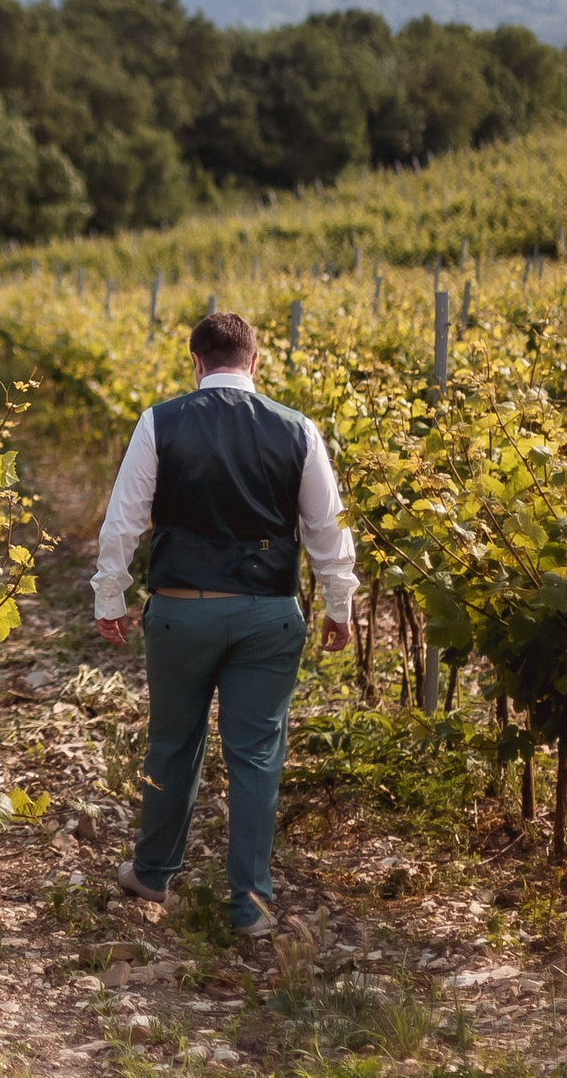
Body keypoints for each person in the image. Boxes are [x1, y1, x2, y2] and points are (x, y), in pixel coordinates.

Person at [91, 310, 356, 940]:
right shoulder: (299, 430)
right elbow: (326, 528)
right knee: (257, 755)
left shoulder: (160, 421)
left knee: (172, 743)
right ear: (255, 361)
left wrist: (111, 597)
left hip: (182, 609)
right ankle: (250, 907)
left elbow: (124, 519)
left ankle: (153, 872)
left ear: (196, 362)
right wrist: (338, 603)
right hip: (268, 614)